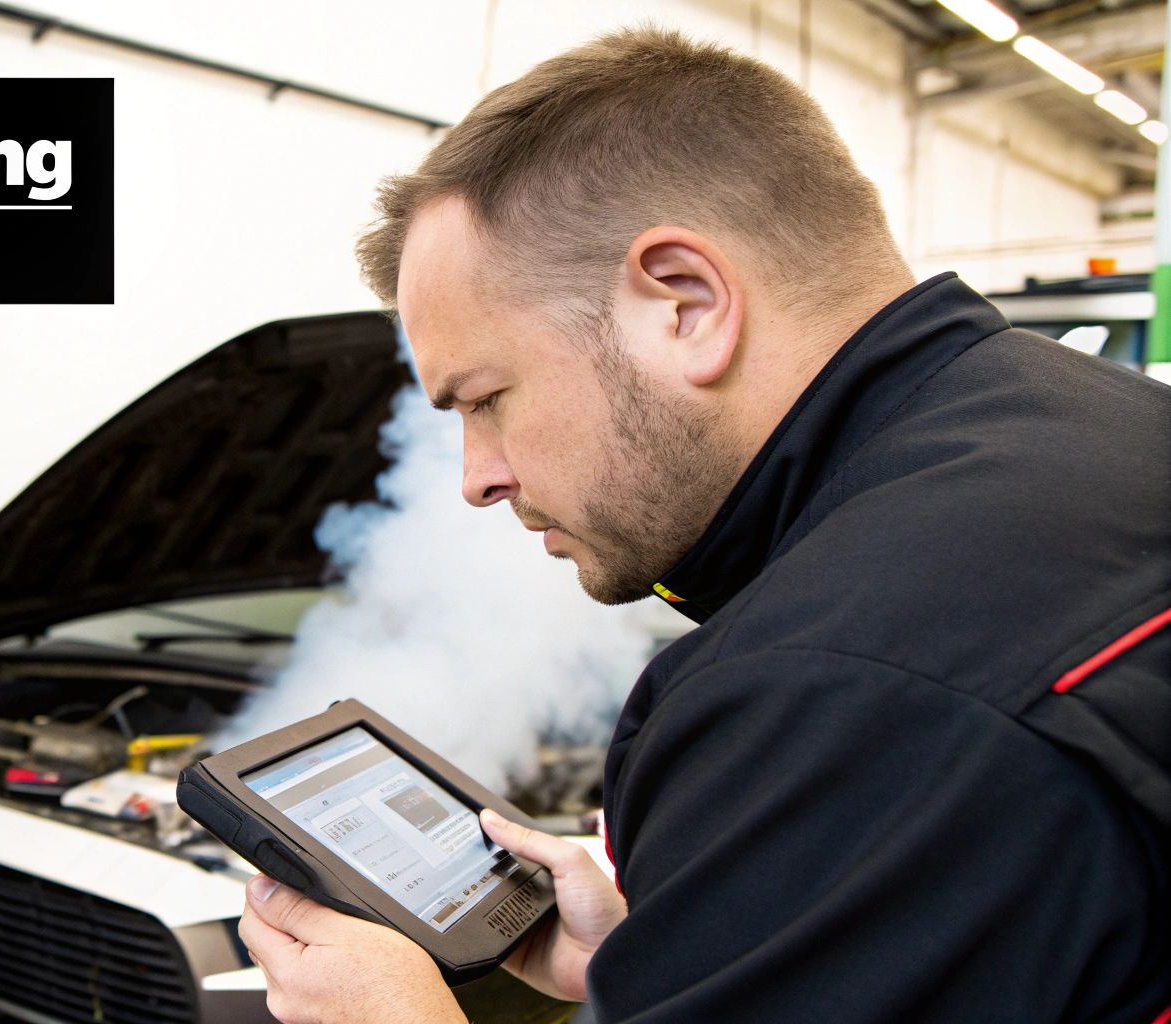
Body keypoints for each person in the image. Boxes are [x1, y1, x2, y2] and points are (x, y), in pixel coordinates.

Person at [237, 26, 1171, 1024]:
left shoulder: (833, 686)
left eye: (484, 397)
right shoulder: (1106, 431)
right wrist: (701, 934)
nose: (475, 478)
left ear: (682, 303)